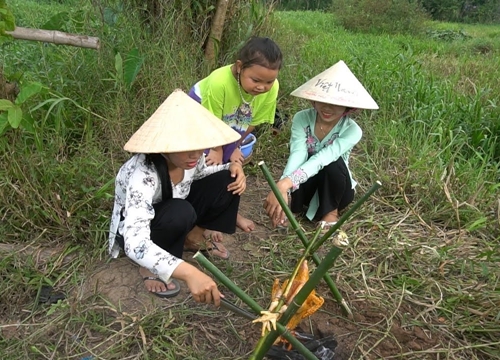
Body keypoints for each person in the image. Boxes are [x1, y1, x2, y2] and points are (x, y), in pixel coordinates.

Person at [108, 89, 246, 304]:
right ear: (165, 145)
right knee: (180, 211)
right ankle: (149, 267)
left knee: (226, 178)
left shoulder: (192, 158)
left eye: (199, 147)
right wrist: (191, 273)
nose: (195, 155)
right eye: (186, 149)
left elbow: (202, 174)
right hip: (149, 224)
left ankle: (192, 238)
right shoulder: (143, 173)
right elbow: (135, 241)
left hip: (177, 208)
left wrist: (233, 167)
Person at [264, 60, 379, 232]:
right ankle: (290, 207)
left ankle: (331, 212)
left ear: (348, 107)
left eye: (336, 103)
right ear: (313, 101)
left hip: (337, 188)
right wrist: (283, 186)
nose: (327, 108)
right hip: (307, 182)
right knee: (303, 162)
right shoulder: (301, 118)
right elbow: (298, 153)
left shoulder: (352, 130)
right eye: (321, 100)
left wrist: (284, 184)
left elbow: (323, 158)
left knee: (333, 162)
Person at [188, 36, 283, 234]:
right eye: (256, 80)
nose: (262, 87)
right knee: (206, 168)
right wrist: (217, 148)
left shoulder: (272, 88)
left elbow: (253, 122)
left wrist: (234, 147)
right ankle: (204, 220)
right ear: (239, 67)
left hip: (230, 126)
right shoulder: (219, 82)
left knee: (231, 171)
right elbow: (209, 121)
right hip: (201, 122)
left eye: (269, 81)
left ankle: (225, 215)